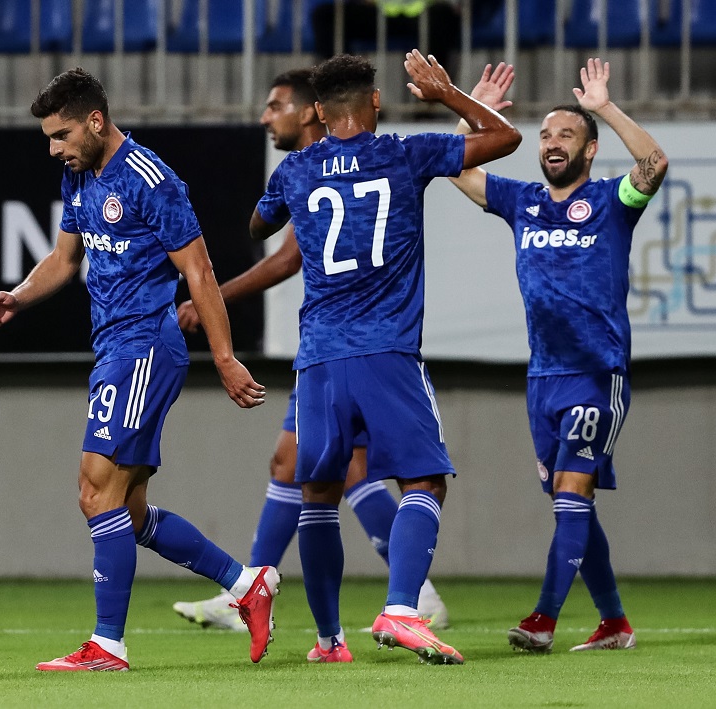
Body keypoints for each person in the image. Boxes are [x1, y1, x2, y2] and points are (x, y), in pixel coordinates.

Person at [0, 67, 279, 671]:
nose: (54, 149)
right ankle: (246, 584)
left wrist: (224, 358)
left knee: (95, 489)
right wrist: (19, 296)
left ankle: (108, 644)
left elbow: (199, 271)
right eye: (49, 138)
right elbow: (64, 260)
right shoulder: (79, 175)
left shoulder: (150, 178)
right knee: (128, 511)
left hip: (144, 347)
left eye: (61, 135)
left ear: (95, 121)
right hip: (115, 348)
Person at [250, 51, 521, 664]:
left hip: (318, 358)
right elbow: (505, 138)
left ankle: (328, 641)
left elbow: (258, 226)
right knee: (423, 480)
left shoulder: (294, 170)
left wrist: (299, 191)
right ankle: (401, 609)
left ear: (318, 112)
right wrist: (448, 94)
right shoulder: (405, 153)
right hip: (387, 349)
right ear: (375, 101)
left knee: (317, 494)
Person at [171, 68, 451, 638]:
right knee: (294, 464)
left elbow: (283, 257)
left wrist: (213, 297)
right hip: (346, 346)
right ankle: (256, 591)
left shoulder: (310, 168)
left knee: (338, 473)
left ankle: (407, 598)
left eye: (275, 106)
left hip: (340, 346)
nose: (265, 117)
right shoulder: (331, 165)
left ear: (311, 112)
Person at [450, 58, 668, 653]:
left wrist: (604, 108)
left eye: (566, 134)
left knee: (572, 493)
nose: (552, 142)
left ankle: (543, 620)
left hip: (598, 372)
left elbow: (654, 163)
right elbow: (453, 167)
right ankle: (615, 623)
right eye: (546, 134)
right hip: (543, 377)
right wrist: (473, 110)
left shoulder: (612, 201)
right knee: (573, 502)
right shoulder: (521, 201)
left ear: (590, 150)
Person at [312, 1, 461, 74]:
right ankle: (345, 90)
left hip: (425, 13)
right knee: (326, 16)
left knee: (443, 17)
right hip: (377, 11)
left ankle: (431, 98)